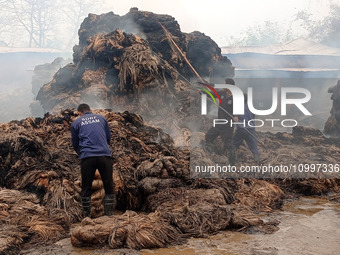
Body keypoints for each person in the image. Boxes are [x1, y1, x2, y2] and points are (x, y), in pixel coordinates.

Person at [71, 103, 114, 217]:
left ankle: (87, 215)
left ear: (80, 113)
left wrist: (82, 153)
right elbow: (108, 137)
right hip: (104, 155)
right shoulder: (102, 118)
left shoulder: (76, 123)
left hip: (87, 157)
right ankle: (109, 214)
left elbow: (75, 143)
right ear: (90, 110)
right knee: (108, 183)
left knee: (86, 186)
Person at [205, 78, 236, 165]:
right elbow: (212, 94)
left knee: (228, 144)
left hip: (228, 123)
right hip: (220, 121)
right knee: (209, 136)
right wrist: (203, 92)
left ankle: (232, 164)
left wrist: (236, 116)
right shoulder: (222, 93)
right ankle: (208, 155)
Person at [233, 95, 260, 163]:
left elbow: (235, 117)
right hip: (251, 128)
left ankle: (233, 160)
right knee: (253, 146)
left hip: (242, 128)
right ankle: (257, 160)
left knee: (234, 144)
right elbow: (253, 116)